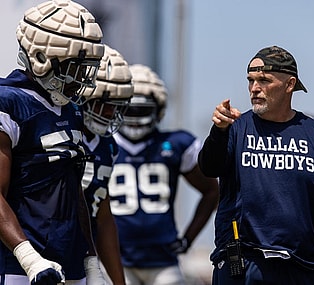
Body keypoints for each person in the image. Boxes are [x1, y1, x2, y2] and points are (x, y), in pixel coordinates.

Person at [198, 45, 314, 285]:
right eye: (250, 80)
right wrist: (218, 132)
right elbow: (209, 167)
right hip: (243, 266)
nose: (254, 88)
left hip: (304, 269)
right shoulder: (235, 129)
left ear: (289, 85)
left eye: (264, 80)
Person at [0, 0, 105, 284]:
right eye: (74, 67)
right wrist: (29, 258)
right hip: (19, 267)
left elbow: (74, 192)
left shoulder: (71, 110)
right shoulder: (9, 102)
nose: (81, 80)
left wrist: (90, 259)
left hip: (69, 264)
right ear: (41, 58)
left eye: (87, 68)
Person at [108, 64, 219, 285]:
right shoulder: (103, 144)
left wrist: (188, 239)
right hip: (115, 258)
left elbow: (212, 191)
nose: (135, 117)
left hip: (163, 260)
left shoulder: (175, 144)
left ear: (157, 110)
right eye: (129, 109)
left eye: (142, 110)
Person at [81, 44, 134, 285]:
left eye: (118, 104)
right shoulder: (63, 129)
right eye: (106, 102)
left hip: (82, 251)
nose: (111, 112)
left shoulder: (108, 145)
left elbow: (102, 214)